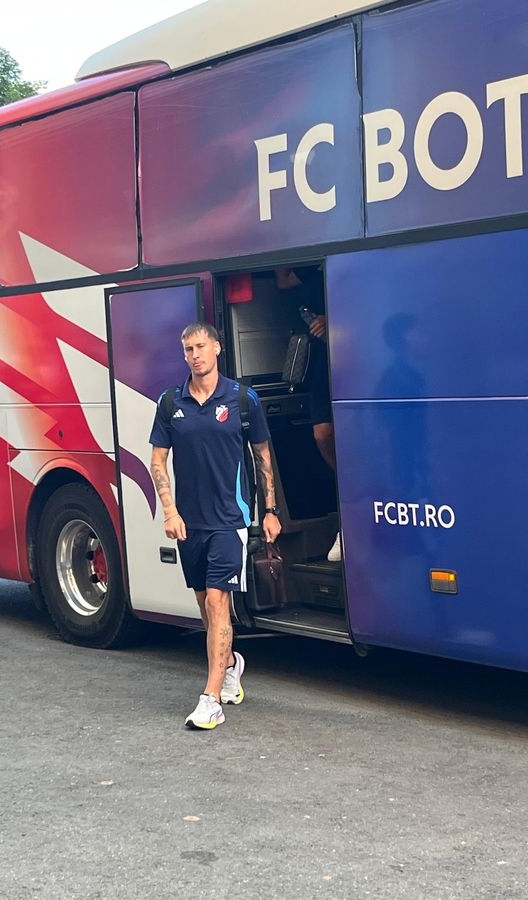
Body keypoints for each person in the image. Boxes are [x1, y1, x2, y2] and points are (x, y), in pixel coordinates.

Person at [149, 322, 280, 730]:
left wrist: (270, 510)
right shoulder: (171, 402)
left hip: (230, 520)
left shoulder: (243, 399)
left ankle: (210, 699)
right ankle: (231, 663)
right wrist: (170, 512)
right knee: (204, 602)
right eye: (188, 349)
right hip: (191, 522)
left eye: (201, 346)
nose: (195, 355)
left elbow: (262, 455)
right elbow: (157, 461)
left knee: (218, 602)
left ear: (218, 348)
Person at [276, 266, 341, 561]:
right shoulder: (309, 274)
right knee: (322, 433)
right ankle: (346, 491)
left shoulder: (347, 268)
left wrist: (335, 319)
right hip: (320, 365)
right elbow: (283, 279)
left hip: (349, 357)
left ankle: (348, 515)